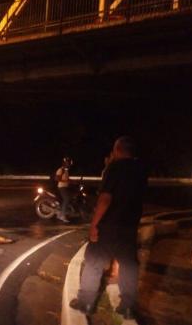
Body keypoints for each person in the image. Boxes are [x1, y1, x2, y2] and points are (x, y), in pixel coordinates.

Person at [70, 136, 148, 320]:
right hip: (129, 226)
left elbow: (105, 198)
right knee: (129, 265)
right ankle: (128, 307)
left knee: (94, 262)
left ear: (118, 150)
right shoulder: (141, 170)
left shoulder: (115, 168)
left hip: (108, 226)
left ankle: (87, 302)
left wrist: (94, 225)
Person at [55, 157, 72, 223]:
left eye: (69, 163)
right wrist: (65, 181)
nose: (69, 164)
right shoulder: (60, 170)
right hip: (61, 187)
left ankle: (61, 213)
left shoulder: (66, 170)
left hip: (65, 187)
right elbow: (57, 179)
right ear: (64, 163)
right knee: (66, 199)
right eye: (67, 162)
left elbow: (67, 179)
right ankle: (62, 216)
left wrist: (72, 181)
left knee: (70, 197)